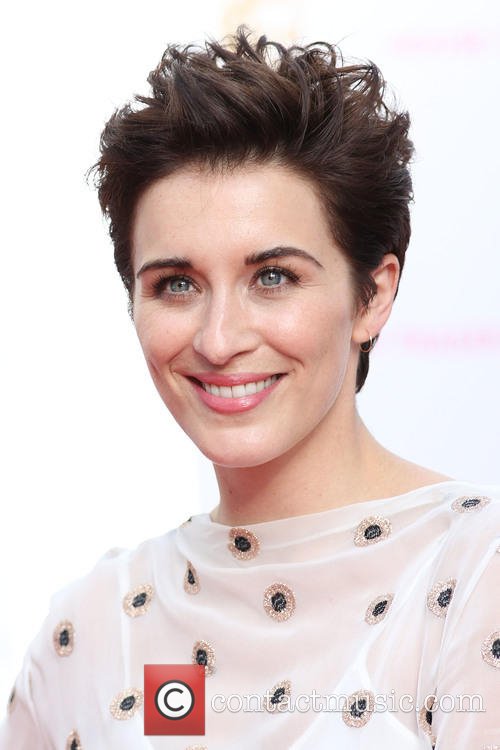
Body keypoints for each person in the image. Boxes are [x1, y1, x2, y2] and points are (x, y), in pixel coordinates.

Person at [1, 25, 499, 750]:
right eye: (176, 284)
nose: (218, 339)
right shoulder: (91, 632)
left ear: (372, 296)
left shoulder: (476, 574)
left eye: (272, 277)